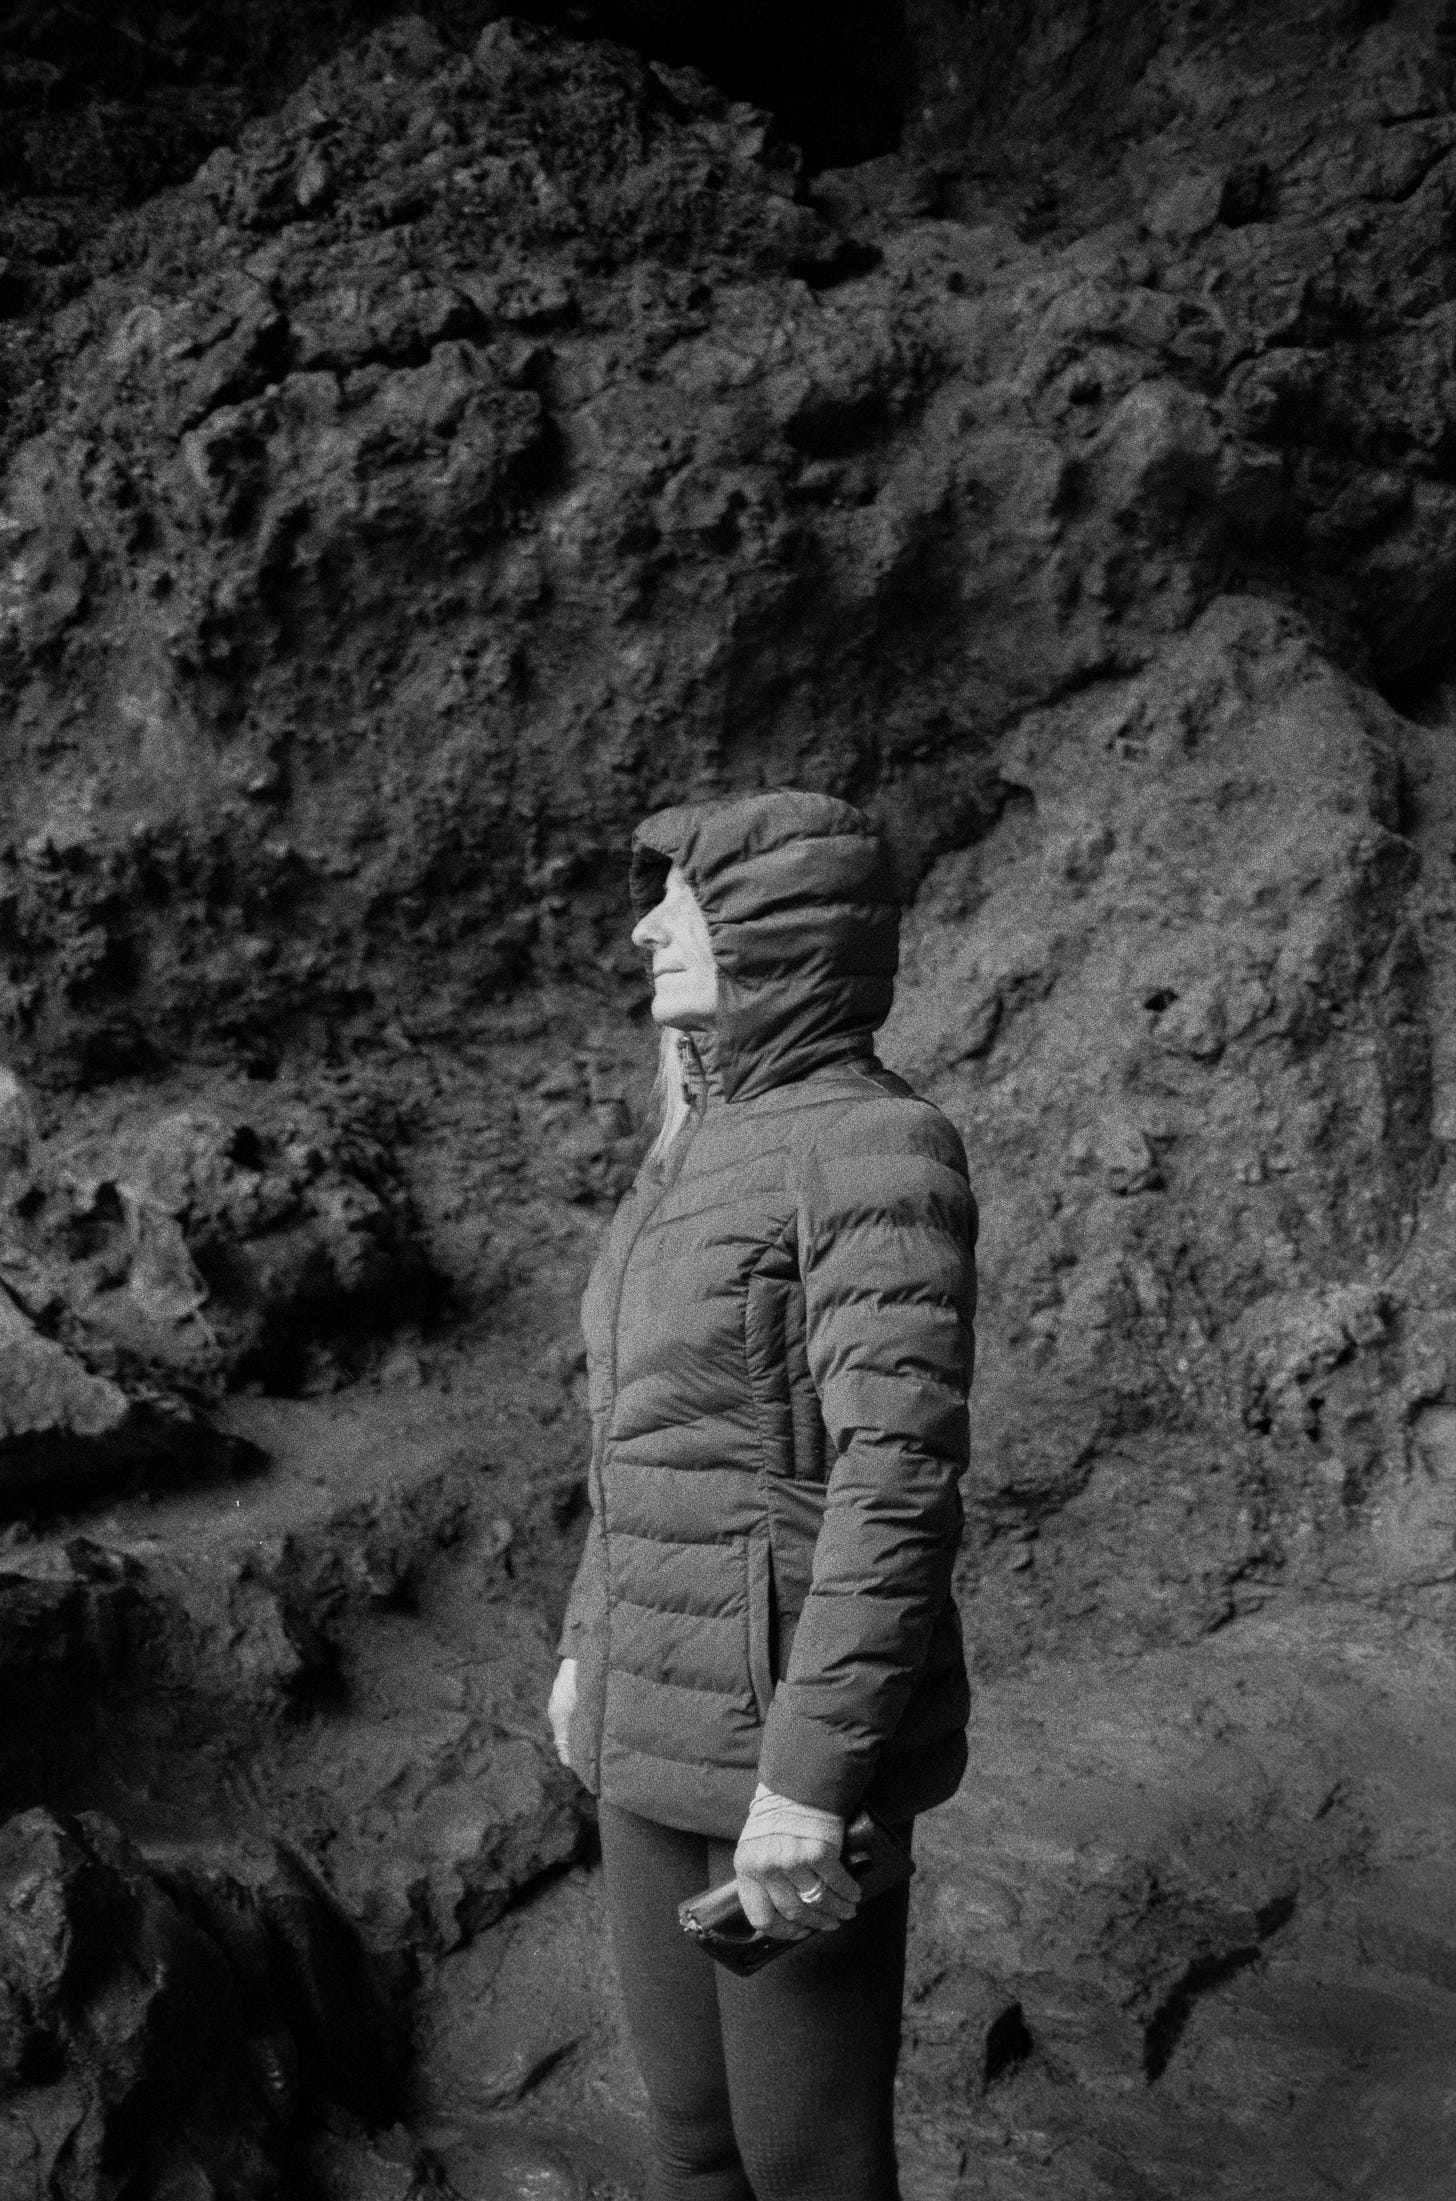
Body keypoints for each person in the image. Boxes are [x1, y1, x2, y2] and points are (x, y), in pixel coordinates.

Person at [547, 788, 978, 2201]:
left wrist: (807, 1782)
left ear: (776, 929)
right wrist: (586, 1646)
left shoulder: (872, 1145)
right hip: (646, 1708)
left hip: (781, 1738)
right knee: (691, 2143)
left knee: (809, 2168)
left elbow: (894, 1485)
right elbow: (639, 1440)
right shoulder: (692, 1147)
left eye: (682, 901)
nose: (645, 929)